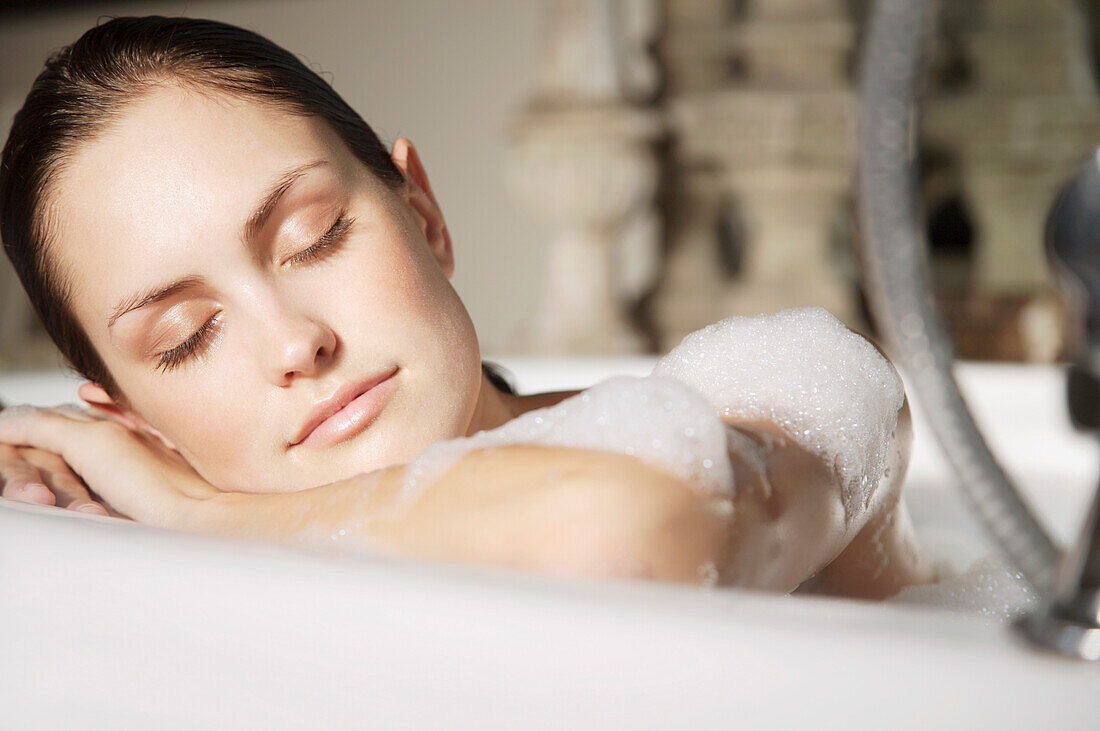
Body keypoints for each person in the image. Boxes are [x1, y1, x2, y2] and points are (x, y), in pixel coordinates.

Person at [0, 16, 932, 597]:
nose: (295, 341)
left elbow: (638, 522)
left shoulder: (761, 406)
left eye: (315, 235)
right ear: (130, 420)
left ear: (425, 215)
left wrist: (196, 515)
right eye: (187, 337)